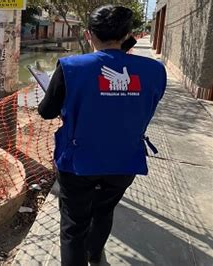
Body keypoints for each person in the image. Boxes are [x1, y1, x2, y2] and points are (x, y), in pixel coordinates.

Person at [37, 5, 167, 266]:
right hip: (125, 159)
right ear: (128, 34)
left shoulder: (71, 67)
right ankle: (94, 256)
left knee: (74, 225)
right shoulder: (155, 71)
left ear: (88, 35)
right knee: (104, 211)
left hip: (78, 161)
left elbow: (47, 112)